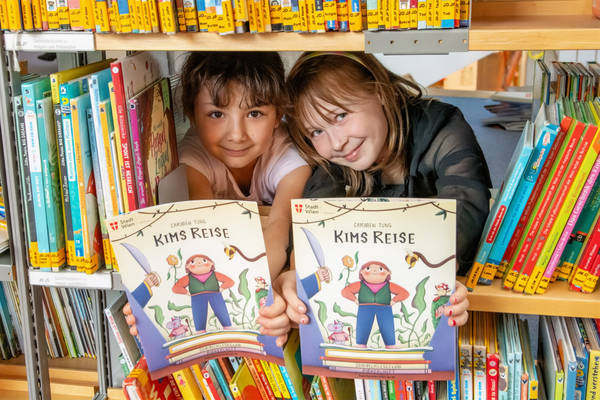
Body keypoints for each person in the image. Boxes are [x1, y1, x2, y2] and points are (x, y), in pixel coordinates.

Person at [273, 51, 492, 330]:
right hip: (377, 295)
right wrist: (296, 277)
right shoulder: (332, 159)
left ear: (379, 93)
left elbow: (465, 215)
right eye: (316, 132)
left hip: (443, 304)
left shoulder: (443, 126)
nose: (336, 143)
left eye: (340, 115)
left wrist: (431, 270)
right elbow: (313, 229)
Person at [125, 52, 311, 346]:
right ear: (191, 114)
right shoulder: (192, 159)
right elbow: (202, 238)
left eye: (254, 113)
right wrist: (158, 301)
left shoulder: (290, 157)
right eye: (216, 114)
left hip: (258, 275)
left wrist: (259, 299)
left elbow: (279, 229)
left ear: (279, 114)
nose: (236, 135)